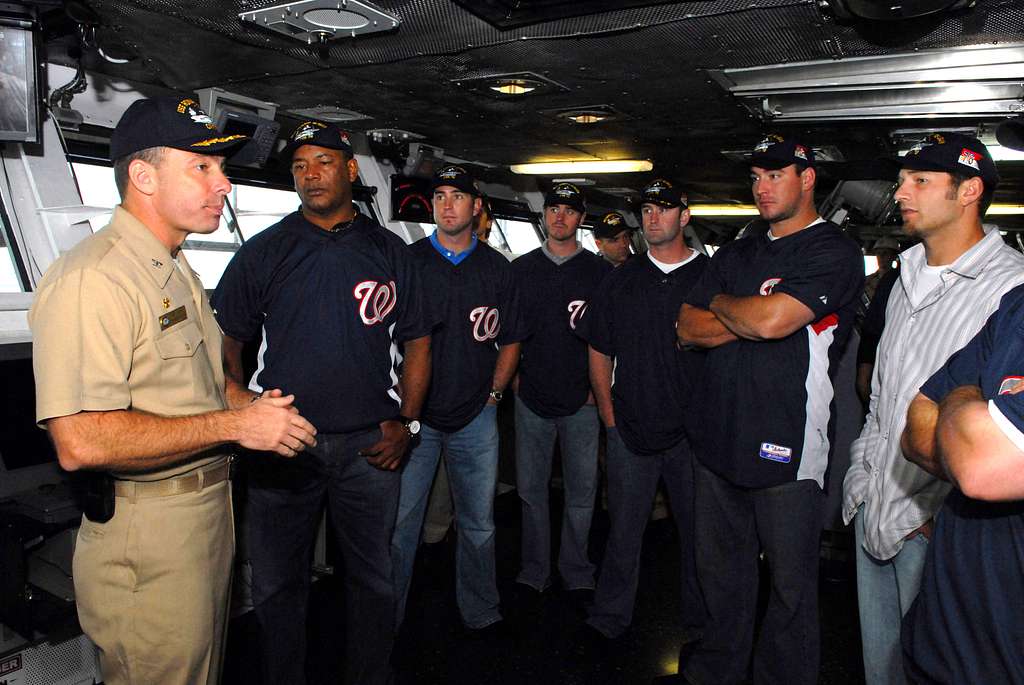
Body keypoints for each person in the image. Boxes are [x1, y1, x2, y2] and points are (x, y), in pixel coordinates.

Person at [29, 96, 318, 685]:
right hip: (148, 538)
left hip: (204, 517)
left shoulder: (174, 268)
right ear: (143, 176)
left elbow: (204, 387)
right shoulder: (95, 279)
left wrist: (254, 409)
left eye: (222, 169)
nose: (225, 185)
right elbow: (79, 441)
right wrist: (236, 426)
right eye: (203, 167)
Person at [212, 120, 433, 685]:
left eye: (324, 163)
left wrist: (407, 424)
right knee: (279, 584)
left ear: (351, 169)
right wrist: (247, 417)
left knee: (372, 578)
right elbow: (228, 344)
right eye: (300, 167)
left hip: (369, 448)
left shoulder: (390, 252)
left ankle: (370, 674)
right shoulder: (264, 252)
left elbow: (418, 343)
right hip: (285, 447)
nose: (311, 175)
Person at [677, 135, 863, 685]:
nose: (761, 186)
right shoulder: (738, 251)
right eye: (756, 176)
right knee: (722, 577)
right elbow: (687, 328)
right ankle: (716, 672)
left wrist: (724, 305)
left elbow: (770, 322)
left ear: (807, 179)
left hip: (787, 445)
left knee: (790, 589)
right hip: (717, 442)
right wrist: (743, 314)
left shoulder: (832, 251)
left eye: (775, 175)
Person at [841, 133, 1023, 685]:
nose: (901, 193)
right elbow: (884, 395)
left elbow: (995, 434)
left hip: (939, 524)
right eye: (901, 181)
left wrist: (935, 514)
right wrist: (861, 475)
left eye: (920, 181)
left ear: (969, 191)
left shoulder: (1009, 286)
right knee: (883, 670)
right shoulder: (903, 275)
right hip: (874, 500)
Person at [391, 165, 525, 633]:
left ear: (476, 207)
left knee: (479, 524)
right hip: (416, 420)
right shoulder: (408, 262)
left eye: (457, 197)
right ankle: (389, 619)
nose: (447, 205)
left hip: (475, 416)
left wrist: (494, 393)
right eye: (440, 196)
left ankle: (480, 610)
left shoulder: (496, 269)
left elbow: (511, 339)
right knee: (401, 526)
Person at [578, 178, 707, 655]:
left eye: (664, 208)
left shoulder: (708, 278)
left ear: (683, 217)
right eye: (648, 209)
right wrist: (610, 420)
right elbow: (598, 348)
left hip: (693, 437)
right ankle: (611, 616)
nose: (654, 217)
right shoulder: (621, 279)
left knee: (699, 535)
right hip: (630, 428)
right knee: (623, 532)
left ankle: (700, 621)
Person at [900, 283, 1024, 684]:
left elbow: (980, 468)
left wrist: (963, 396)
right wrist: (972, 417)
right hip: (945, 639)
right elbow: (918, 422)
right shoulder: (1017, 304)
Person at [512, 182, 611, 602]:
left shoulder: (601, 274)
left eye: (569, 211)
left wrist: (598, 390)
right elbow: (508, 335)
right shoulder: (520, 270)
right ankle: (535, 568)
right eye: (553, 209)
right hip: (530, 399)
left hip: (582, 404)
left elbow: (611, 340)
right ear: (544, 214)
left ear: (581, 218)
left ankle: (576, 568)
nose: (559, 217)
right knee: (530, 492)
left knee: (582, 494)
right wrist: (514, 382)